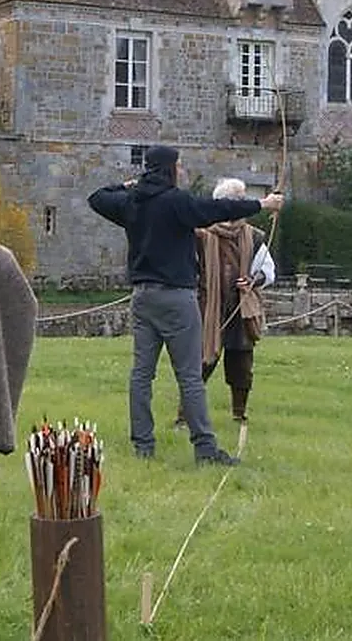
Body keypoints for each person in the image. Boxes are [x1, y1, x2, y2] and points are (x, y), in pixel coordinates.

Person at [88, 145, 283, 466]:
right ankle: (205, 449)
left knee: (141, 374)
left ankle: (143, 446)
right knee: (190, 376)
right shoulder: (176, 202)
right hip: (177, 298)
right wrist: (262, 204)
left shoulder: (131, 202)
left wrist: (129, 184)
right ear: (169, 168)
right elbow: (218, 209)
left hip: (142, 297)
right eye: (177, 166)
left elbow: (97, 197)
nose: (180, 171)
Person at [195, 178, 277, 423]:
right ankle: (185, 415)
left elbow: (268, 270)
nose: (241, 204)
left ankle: (239, 413)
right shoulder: (200, 235)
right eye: (237, 200)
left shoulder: (254, 236)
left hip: (240, 309)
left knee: (241, 364)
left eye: (242, 200)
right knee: (200, 365)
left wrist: (253, 280)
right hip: (207, 307)